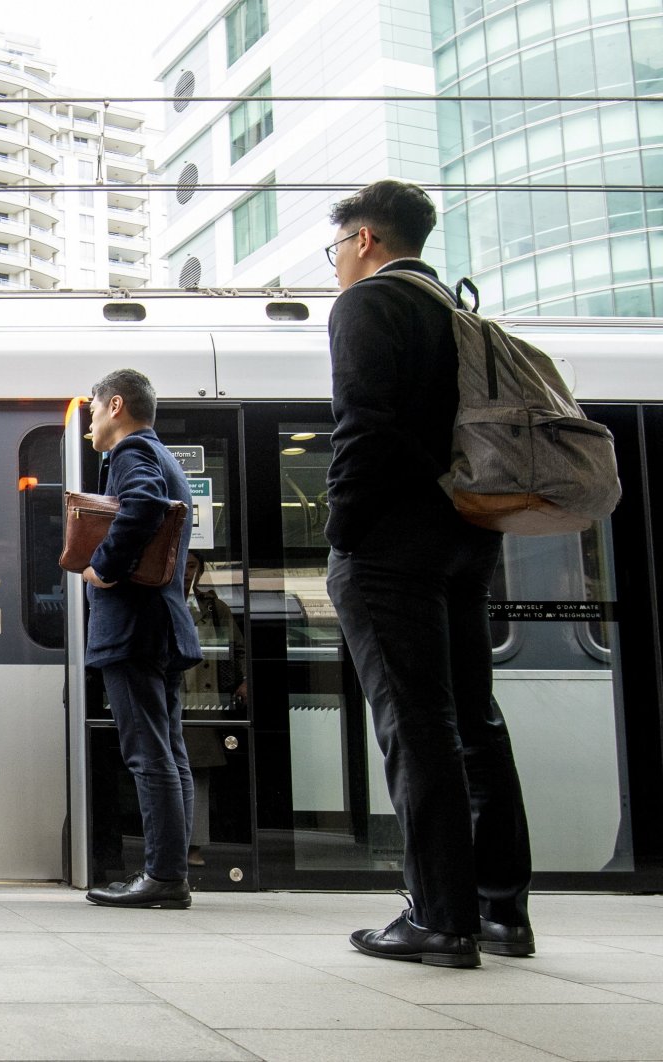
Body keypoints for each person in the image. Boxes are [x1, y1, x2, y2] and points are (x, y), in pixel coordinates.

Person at [324, 179, 532, 967]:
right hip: (466, 541)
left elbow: (363, 428)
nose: (336, 264)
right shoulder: (459, 310)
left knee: (416, 726)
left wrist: (343, 537)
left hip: (390, 550)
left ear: (366, 241)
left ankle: (440, 918)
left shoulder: (369, 305)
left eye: (336, 247)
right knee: (473, 720)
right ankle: (501, 910)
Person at [80, 368, 202, 910]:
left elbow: (144, 505)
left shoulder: (131, 455)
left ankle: (163, 876)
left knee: (148, 753)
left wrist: (103, 566)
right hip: (162, 625)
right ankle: (171, 871)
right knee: (170, 752)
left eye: (92, 409)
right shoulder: (160, 453)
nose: (88, 422)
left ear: (115, 406)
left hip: (134, 628)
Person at [180, 552, 244, 868]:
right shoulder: (157, 599)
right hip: (171, 700)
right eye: (182, 563)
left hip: (202, 703)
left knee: (198, 773)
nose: (186, 571)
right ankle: (170, 843)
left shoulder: (213, 608)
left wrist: (242, 681)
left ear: (201, 571)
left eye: (192, 566)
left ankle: (194, 846)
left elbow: (237, 648)